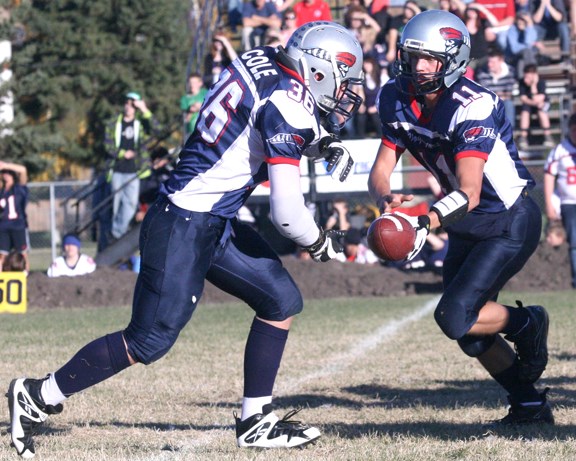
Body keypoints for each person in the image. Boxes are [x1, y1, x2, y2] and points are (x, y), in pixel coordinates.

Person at [7, 21, 365, 458]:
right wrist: (319, 241)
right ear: (319, 67)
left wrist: (322, 142)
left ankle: (254, 420)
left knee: (280, 300)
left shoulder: (265, 57)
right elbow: (287, 213)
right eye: (343, 75)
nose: (345, 89)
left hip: (212, 219)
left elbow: (266, 117)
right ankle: (38, 394)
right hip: (184, 222)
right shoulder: (289, 104)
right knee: (148, 340)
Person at [369, 10, 552, 426]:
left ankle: (527, 321)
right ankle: (529, 405)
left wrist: (423, 223)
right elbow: (380, 171)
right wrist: (386, 200)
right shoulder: (394, 96)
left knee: (455, 316)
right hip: (464, 223)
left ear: (453, 59)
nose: (419, 67)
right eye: (413, 56)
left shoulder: (473, 105)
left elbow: (469, 192)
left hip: (506, 220)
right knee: (469, 336)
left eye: (430, 58)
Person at [104, 91, 160, 241]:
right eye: (127, 104)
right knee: (116, 205)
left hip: (134, 170)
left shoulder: (141, 124)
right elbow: (107, 144)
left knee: (130, 205)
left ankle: (117, 234)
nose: (129, 107)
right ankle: (115, 234)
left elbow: (157, 130)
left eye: (132, 105)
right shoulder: (114, 123)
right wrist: (122, 153)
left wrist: (144, 109)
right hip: (116, 170)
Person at [543, 112, 576, 288]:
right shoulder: (560, 151)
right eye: (574, 130)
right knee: (574, 242)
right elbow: (549, 175)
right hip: (569, 202)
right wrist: (549, 203)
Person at [474, 46, 516, 127]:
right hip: (488, 102)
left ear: (501, 61)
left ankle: (510, 131)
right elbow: (484, 93)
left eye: (493, 62)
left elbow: (508, 93)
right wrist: (500, 95)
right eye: (489, 62)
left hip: (503, 102)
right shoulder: (482, 73)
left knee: (508, 104)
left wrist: (497, 95)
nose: (490, 65)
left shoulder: (511, 72)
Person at [0, 161, 29, 273]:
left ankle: (26, 275)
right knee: (2, 255)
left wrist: (5, 165)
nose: (5, 174)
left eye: (8, 172)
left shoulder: (19, 188)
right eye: (3, 172)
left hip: (18, 226)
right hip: (3, 227)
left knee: (22, 253)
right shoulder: (2, 191)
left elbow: (23, 170)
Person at [517, 63, 554, 150]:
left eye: (529, 77)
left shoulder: (541, 81)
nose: (526, 79)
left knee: (542, 111)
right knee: (525, 111)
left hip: (542, 104)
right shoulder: (522, 82)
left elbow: (539, 98)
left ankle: (548, 136)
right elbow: (523, 98)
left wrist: (533, 85)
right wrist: (535, 103)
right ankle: (523, 137)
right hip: (530, 104)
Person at [180, 73, 208, 139]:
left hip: (205, 130)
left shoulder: (206, 93)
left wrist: (199, 106)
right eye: (191, 82)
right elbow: (185, 118)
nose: (192, 85)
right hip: (191, 131)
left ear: (200, 83)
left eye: (194, 82)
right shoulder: (185, 98)